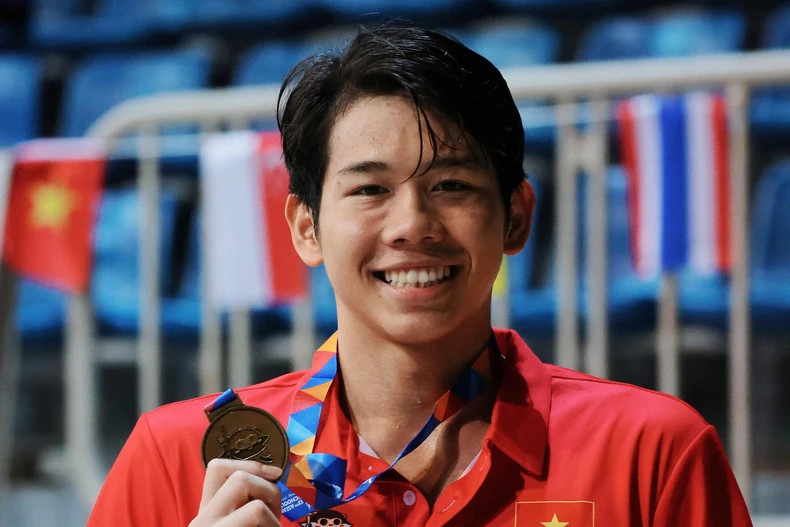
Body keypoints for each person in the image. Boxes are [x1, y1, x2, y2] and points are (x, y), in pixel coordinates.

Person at [87, 23, 752, 526]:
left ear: (516, 216)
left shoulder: (650, 453)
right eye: (370, 190)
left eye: (452, 184)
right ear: (306, 228)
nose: (412, 224)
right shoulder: (175, 460)